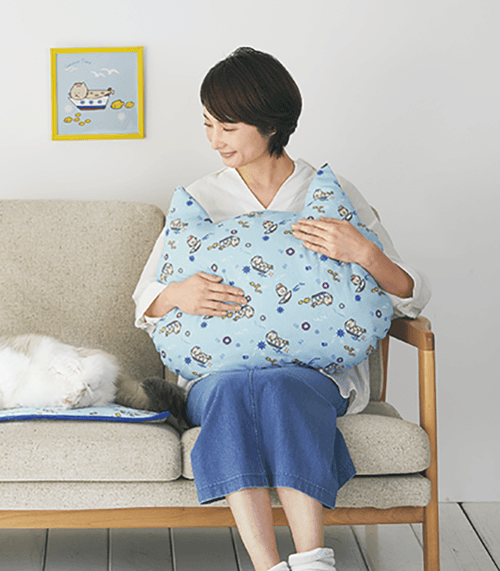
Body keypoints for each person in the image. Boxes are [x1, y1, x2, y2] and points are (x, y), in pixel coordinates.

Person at [133, 47, 430, 571]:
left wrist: (363, 252)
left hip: (315, 373)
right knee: (233, 387)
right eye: (207, 125)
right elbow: (145, 300)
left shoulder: (329, 194)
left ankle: (312, 560)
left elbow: (411, 293)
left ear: (270, 124)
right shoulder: (201, 199)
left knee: (279, 384)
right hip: (218, 374)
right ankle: (272, 566)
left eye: (227, 126)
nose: (214, 140)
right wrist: (177, 294)